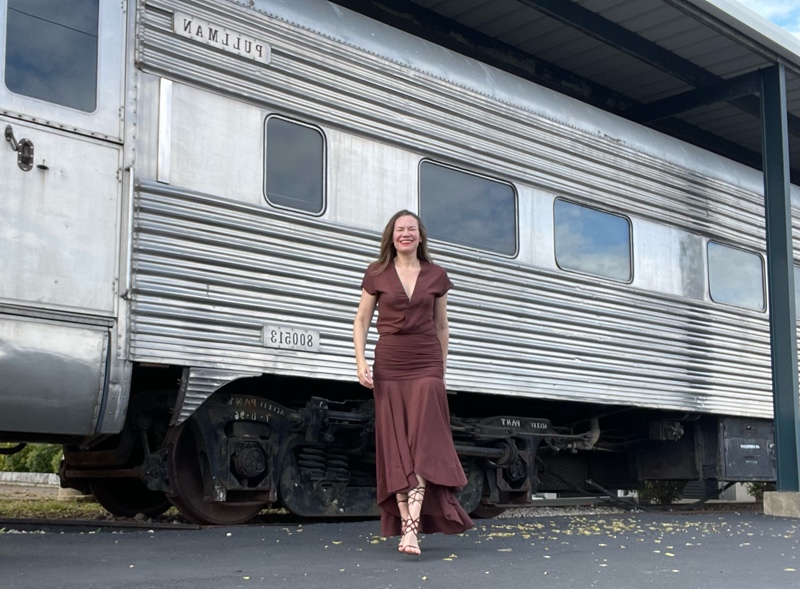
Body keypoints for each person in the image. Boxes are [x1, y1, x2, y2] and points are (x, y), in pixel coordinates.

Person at [353, 210, 474, 556]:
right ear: (391, 237)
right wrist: (360, 361)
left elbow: (442, 326)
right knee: (396, 448)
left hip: (425, 363)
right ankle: (410, 528)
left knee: (422, 445)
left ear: (420, 237)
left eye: (411, 229)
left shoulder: (436, 275)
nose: (405, 234)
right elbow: (361, 319)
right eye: (399, 229)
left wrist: (441, 369)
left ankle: (410, 528)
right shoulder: (376, 273)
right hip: (389, 365)